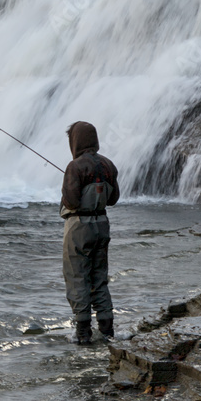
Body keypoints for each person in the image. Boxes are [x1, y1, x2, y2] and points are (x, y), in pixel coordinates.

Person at [60, 121, 120, 345]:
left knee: (77, 278)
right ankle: (107, 331)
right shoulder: (108, 165)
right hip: (102, 224)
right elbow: (113, 199)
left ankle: (83, 333)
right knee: (99, 278)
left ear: (75, 141)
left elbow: (71, 201)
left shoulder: (75, 166)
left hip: (79, 227)